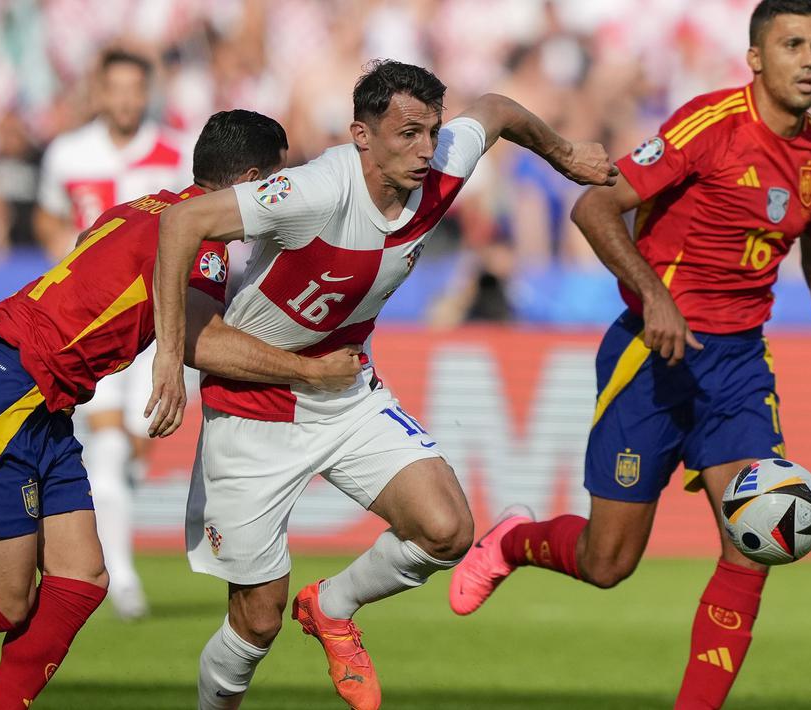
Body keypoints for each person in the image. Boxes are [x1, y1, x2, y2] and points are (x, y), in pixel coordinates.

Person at [0, 110, 362, 710]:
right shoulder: (202, 244)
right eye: (278, 182)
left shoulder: (144, 207)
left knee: (81, 578)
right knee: (1, 600)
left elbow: (85, 255)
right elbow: (201, 342)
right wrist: (312, 371)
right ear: (253, 181)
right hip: (3, 392)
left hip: (39, 398)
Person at [147, 60, 616, 710]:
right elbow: (180, 223)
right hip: (253, 408)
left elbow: (497, 109)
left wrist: (565, 156)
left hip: (345, 393)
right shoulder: (315, 190)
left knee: (446, 529)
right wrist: (169, 357)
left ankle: (332, 607)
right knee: (256, 622)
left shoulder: (441, 166)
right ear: (361, 136)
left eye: (432, 132)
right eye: (407, 134)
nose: (426, 150)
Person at [449, 3, 811, 709]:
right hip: (651, 356)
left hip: (738, 366)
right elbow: (593, 207)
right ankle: (513, 541)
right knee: (608, 562)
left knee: (753, 538)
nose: (808, 60)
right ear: (755, 57)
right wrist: (655, 297)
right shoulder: (709, 126)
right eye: (791, 45)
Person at [35, 48, 190, 620]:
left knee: (135, 449)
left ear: (146, 93)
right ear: (99, 92)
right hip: (93, 323)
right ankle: (120, 578)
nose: (125, 99)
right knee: (105, 446)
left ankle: (108, 543)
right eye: (115, 88)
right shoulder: (67, 152)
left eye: (134, 89)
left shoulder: (176, 154)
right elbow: (49, 215)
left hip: (155, 323)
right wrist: (67, 254)